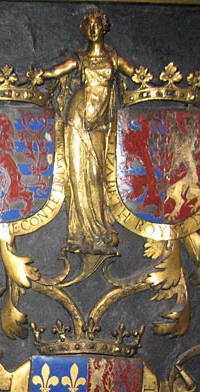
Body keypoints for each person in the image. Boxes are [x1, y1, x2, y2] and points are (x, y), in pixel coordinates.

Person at [41, 8, 137, 255]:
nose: (94, 30)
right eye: (90, 26)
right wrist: (38, 76)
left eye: (98, 25)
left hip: (100, 122)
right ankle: (82, 232)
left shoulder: (114, 58)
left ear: (104, 28)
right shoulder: (80, 58)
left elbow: (137, 74)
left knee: (95, 174)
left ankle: (99, 228)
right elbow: (56, 71)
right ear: (85, 30)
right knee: (78, 175)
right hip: (78, 117)